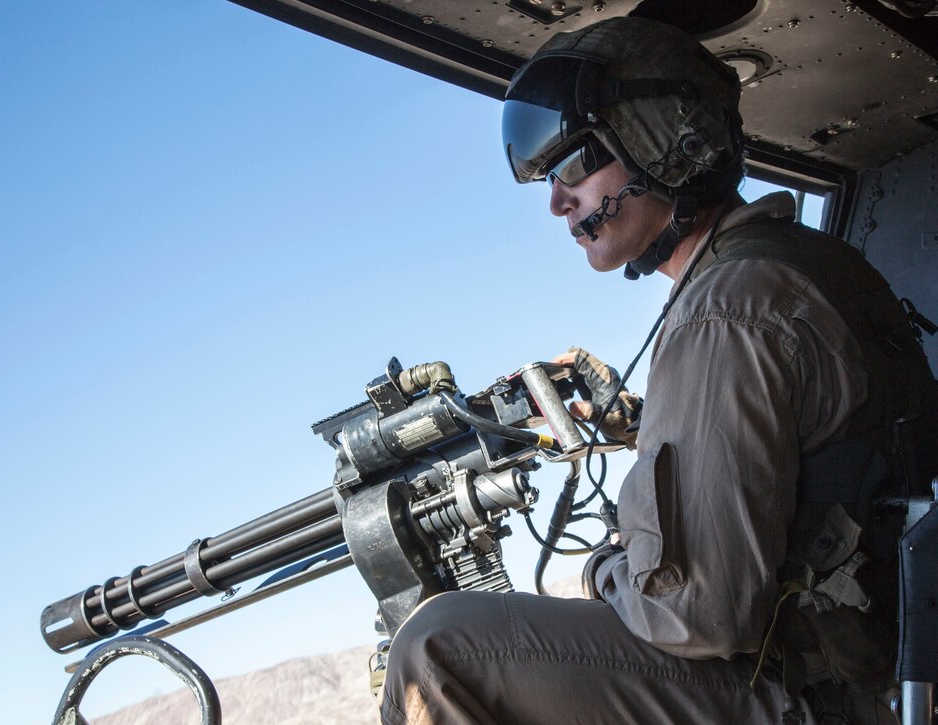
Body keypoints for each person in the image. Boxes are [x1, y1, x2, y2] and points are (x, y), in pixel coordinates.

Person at [379, 16, 938, 725]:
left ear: (662, 139)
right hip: (875, 671)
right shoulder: (805, 269)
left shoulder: (725, 311)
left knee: (436, 646)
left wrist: (605, 568)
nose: (557, 200)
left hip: (810, 695)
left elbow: (696, 615)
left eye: (575, 163)